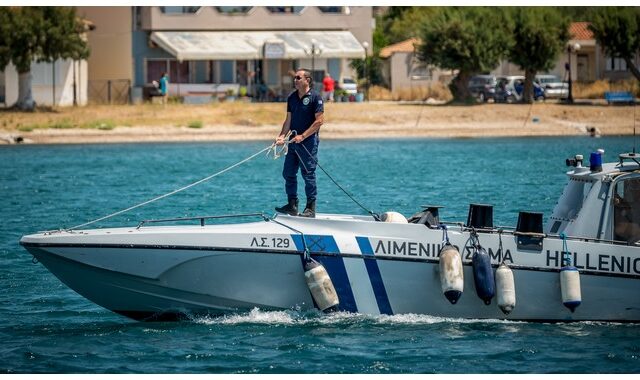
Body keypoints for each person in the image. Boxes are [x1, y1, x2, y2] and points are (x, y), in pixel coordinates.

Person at [274, 68, 324, 218]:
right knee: (288, 172)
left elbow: (319, 121)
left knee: (308, 173)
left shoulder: (316, 97)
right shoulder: (292, 97)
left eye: (298, 78)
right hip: (293, 141)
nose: (295, 80)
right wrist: (281, 136)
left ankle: (310, 208)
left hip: (308, 142)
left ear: (307, 80)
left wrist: (303, 136)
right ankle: (292, 205)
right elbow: (288, 120)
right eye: (294, 78)